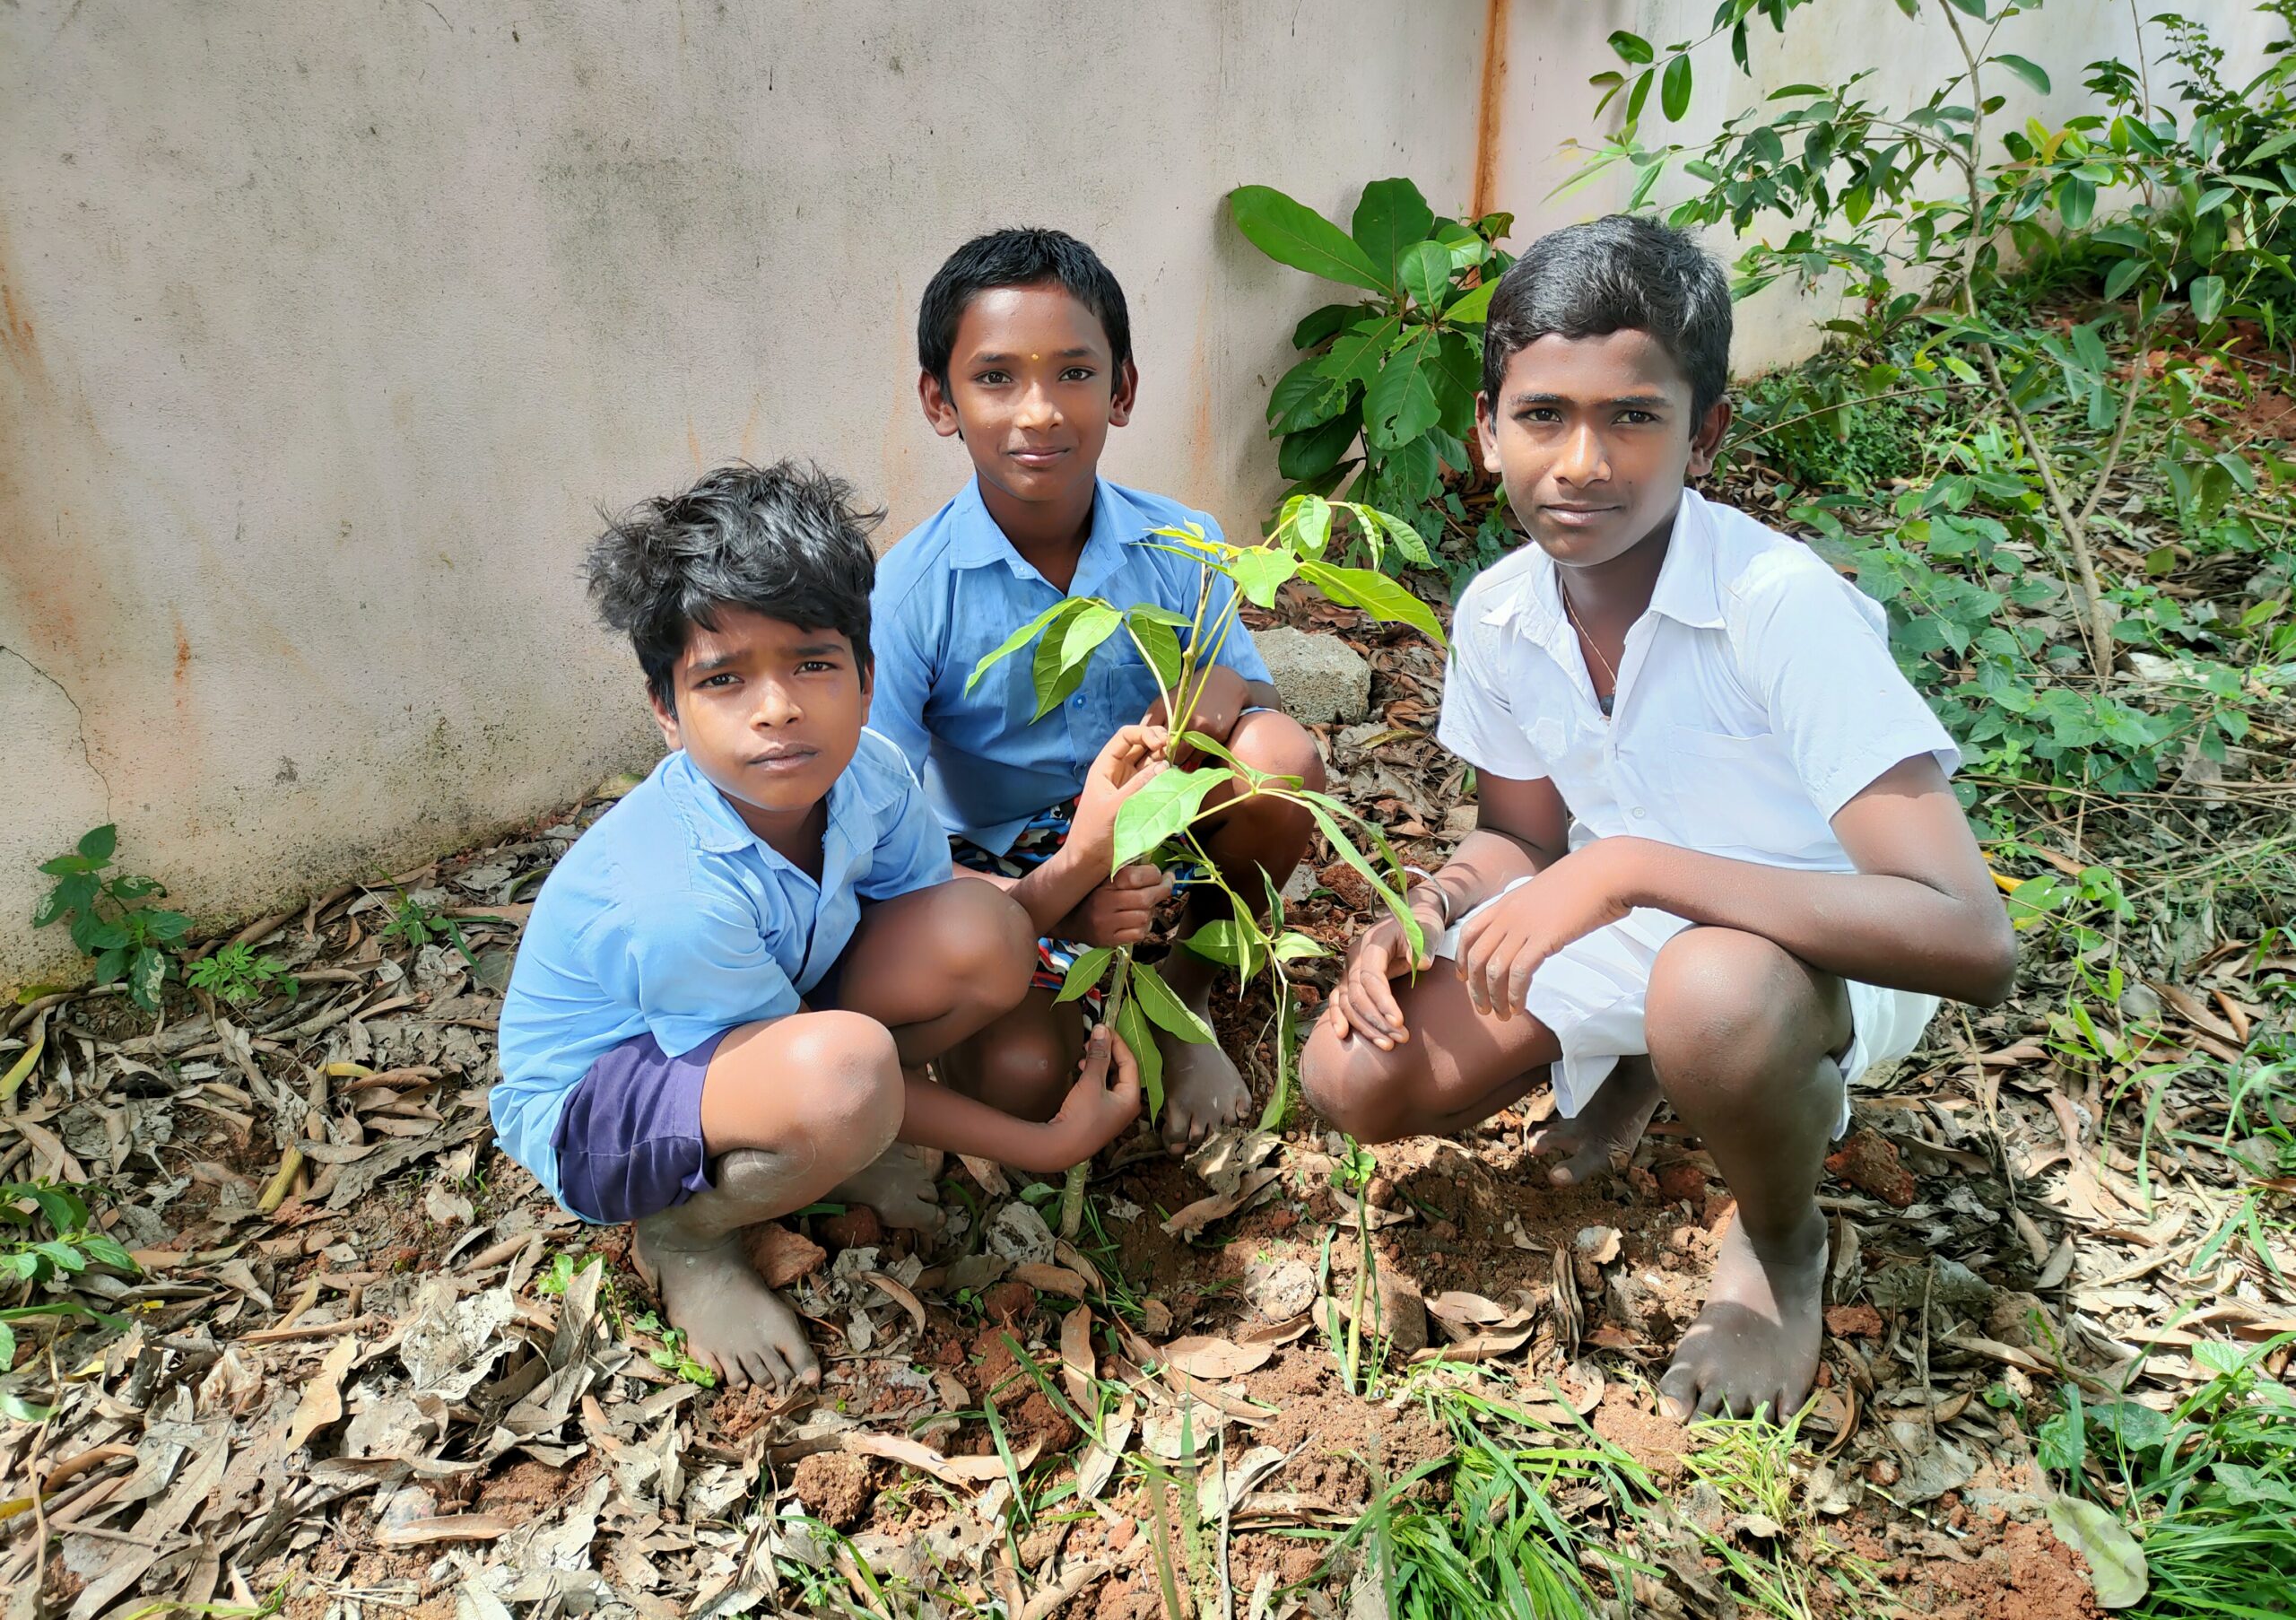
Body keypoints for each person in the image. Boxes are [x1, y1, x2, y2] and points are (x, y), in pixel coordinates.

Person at [1300, 216, 2017, 1422]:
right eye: (1542, 415)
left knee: (1714, 999)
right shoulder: (1499, 612)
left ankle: (1783, 1250)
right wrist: (1426, 909)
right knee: (1353, 1079)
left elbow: (1969, 940)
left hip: (1824, 953)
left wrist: (1628, 867)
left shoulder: (1776, 608)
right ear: (1486, 429)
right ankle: (1640, 1058)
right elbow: (1522, 839)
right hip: (1633, 918)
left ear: (1708, 432)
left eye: (1633, 416)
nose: (1582, 460)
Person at [491, 461, 1150, 1389]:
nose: (778, 708)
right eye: (723, 679)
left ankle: (827, 1158)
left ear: (866, 676)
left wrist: (1079, 860)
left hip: (765, 1029)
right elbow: (835, 1062)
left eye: (812, 662)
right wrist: (1046, 1146)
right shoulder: (673, 891)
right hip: (607, 1101)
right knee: (846, 1081)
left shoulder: (868, 775)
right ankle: (687, 1236)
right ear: (665, 712)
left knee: (981, 936)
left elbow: (938, 925)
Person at [870, 228, 1328, 1153]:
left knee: (1279, 762)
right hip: (1002, 868)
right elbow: (875, 827)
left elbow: (1258, 697)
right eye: (995, 377)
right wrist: (1062, 894)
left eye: (1073, 373)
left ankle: (1184, 998)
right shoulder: (910, 592)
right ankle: (1045, 1007)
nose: (1037, 411)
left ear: (1120, 391)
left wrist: (1222, 690)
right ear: (939, 400)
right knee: (1024, 1082)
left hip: (1156, 831)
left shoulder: (1181, 544)